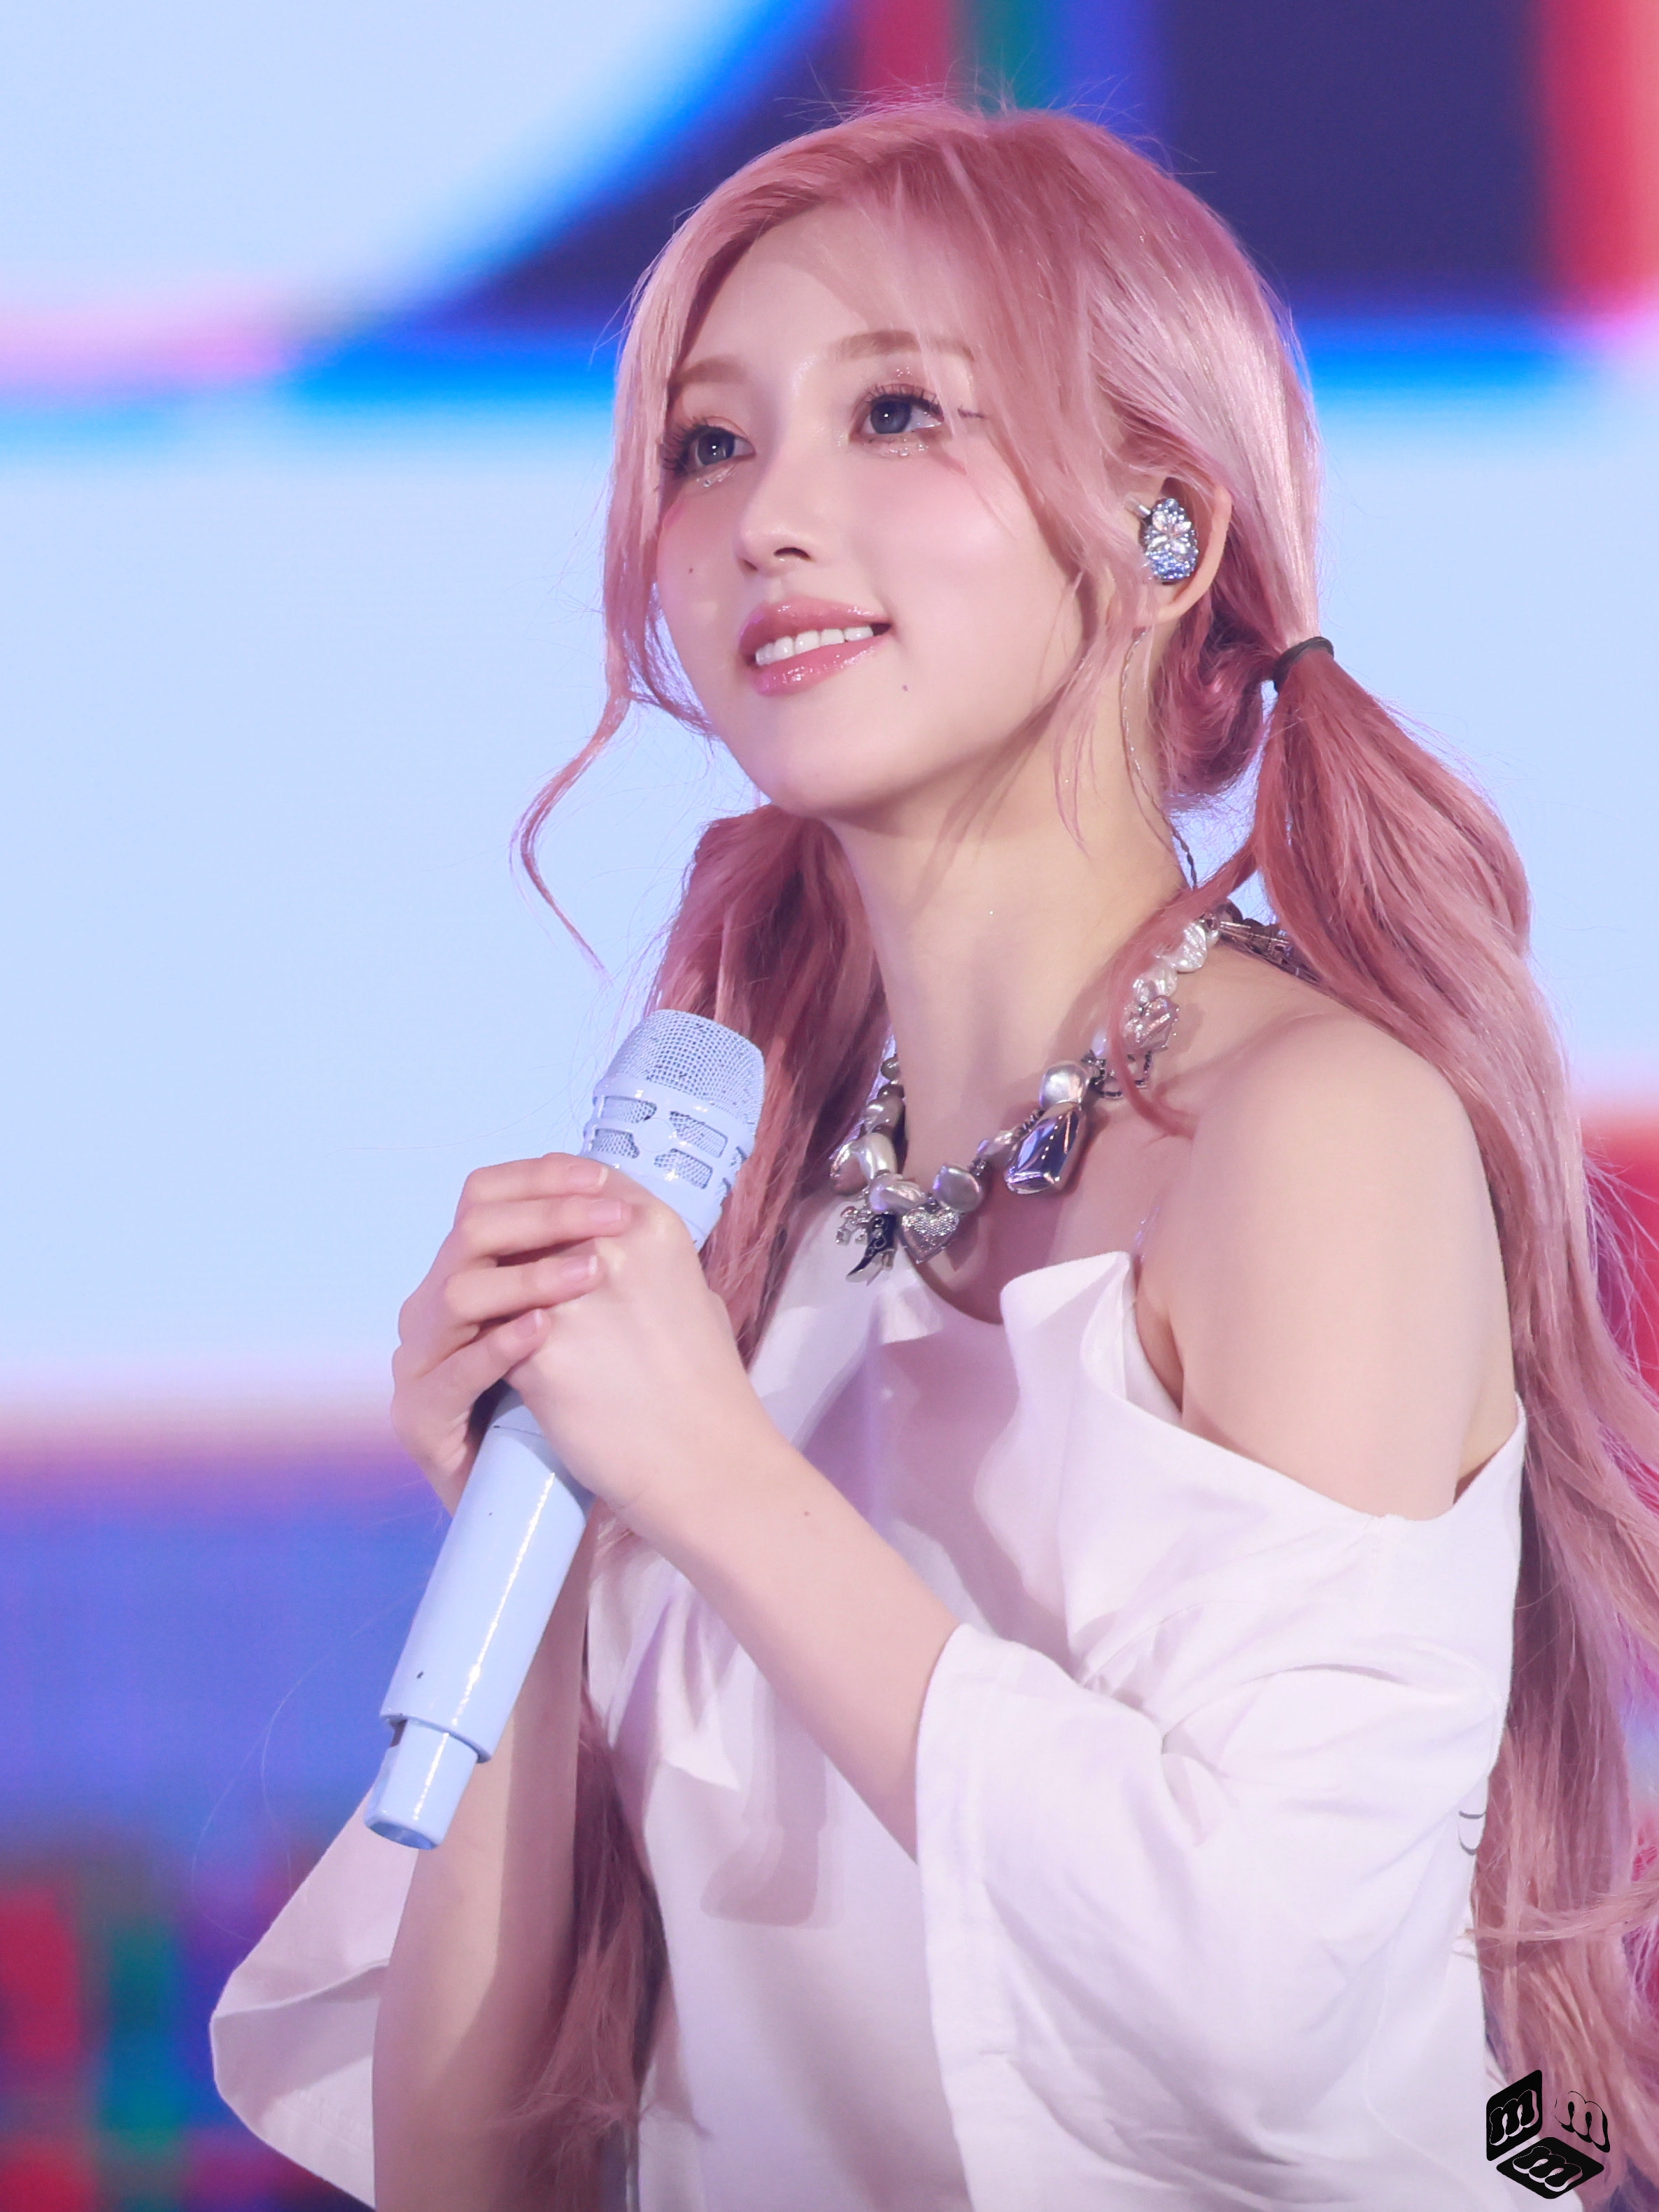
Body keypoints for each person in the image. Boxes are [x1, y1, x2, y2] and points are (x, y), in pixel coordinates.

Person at [211, 100, 1659, 2210]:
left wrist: (716, 1478)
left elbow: (1274, 2023)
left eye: (896, 413)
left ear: (1163, 531)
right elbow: (468, 2163)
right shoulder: (758, 1234)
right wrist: (537, 1528)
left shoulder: (1310, 1132)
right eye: (710, 445)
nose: (770, 517)